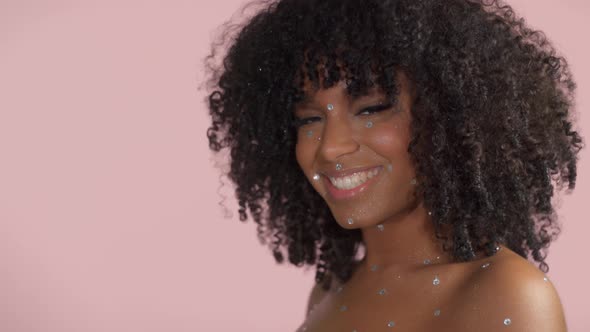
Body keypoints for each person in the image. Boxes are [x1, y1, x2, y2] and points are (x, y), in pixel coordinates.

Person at [202, 0, 584, 330]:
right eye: (309, 119)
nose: (331, 149)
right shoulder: (332, 288)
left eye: (370, 110)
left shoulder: (507, 295)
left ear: (451, 118)